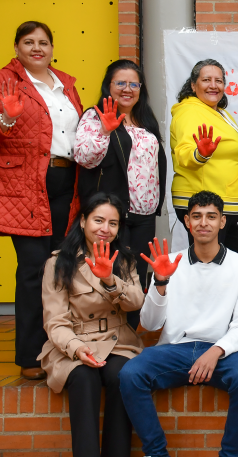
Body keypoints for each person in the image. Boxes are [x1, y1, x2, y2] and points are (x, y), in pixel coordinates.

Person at [119, 190, 238, 457]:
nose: (203, 222)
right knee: (130, 374)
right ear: (187, 222)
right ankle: (156, 452)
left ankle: (230, 455)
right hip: (174, 348)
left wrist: (215, 352)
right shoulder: (170, 262)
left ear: (222, 222)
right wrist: (160, 282)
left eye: (211, 216)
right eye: (196, 216)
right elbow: (148, 324)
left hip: (221, 351)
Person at [0, 21, 83, 379]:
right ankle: (31, 355)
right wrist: (6, 119)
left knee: (63, 266)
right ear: (16, 47)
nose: (37, 48)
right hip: (26, 184)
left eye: (44, 42)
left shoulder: (66, 84)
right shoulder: (6, 81)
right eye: (29, 42)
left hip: (68, 181)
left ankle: (64, 346)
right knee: (34, 270)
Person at [39, 192, 144, 457]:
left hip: (117, 342)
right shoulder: (59, 263)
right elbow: (55, 322)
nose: (105, 229)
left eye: (113, 223)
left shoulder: (125, 260)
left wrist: (110, 280)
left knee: (123, 376)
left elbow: (136, 303)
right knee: (84, 379)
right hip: (72, 344)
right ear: (83, 220)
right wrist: (76, 348)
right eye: (98, 220)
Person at [74, 59, 166, 329]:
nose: (128, 89)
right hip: (114, 215)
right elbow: (84, 157)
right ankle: (108, 335)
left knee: (137, 274)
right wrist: (105, 130)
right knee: (111, 273)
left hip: (145, 214)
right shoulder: (95, 116)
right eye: (120, 83)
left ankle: (131, 337)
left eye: (134, 84)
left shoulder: (146, 120)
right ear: (108, 86)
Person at [170, 59, 238, 257]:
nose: (213, 85)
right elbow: (184, 153)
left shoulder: (219, 113)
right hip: (204, 203)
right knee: (208, 266)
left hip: (223, 202)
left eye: (219, 80)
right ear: (193, 85)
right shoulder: (189, 111)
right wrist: (201, 154)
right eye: (206, 80)